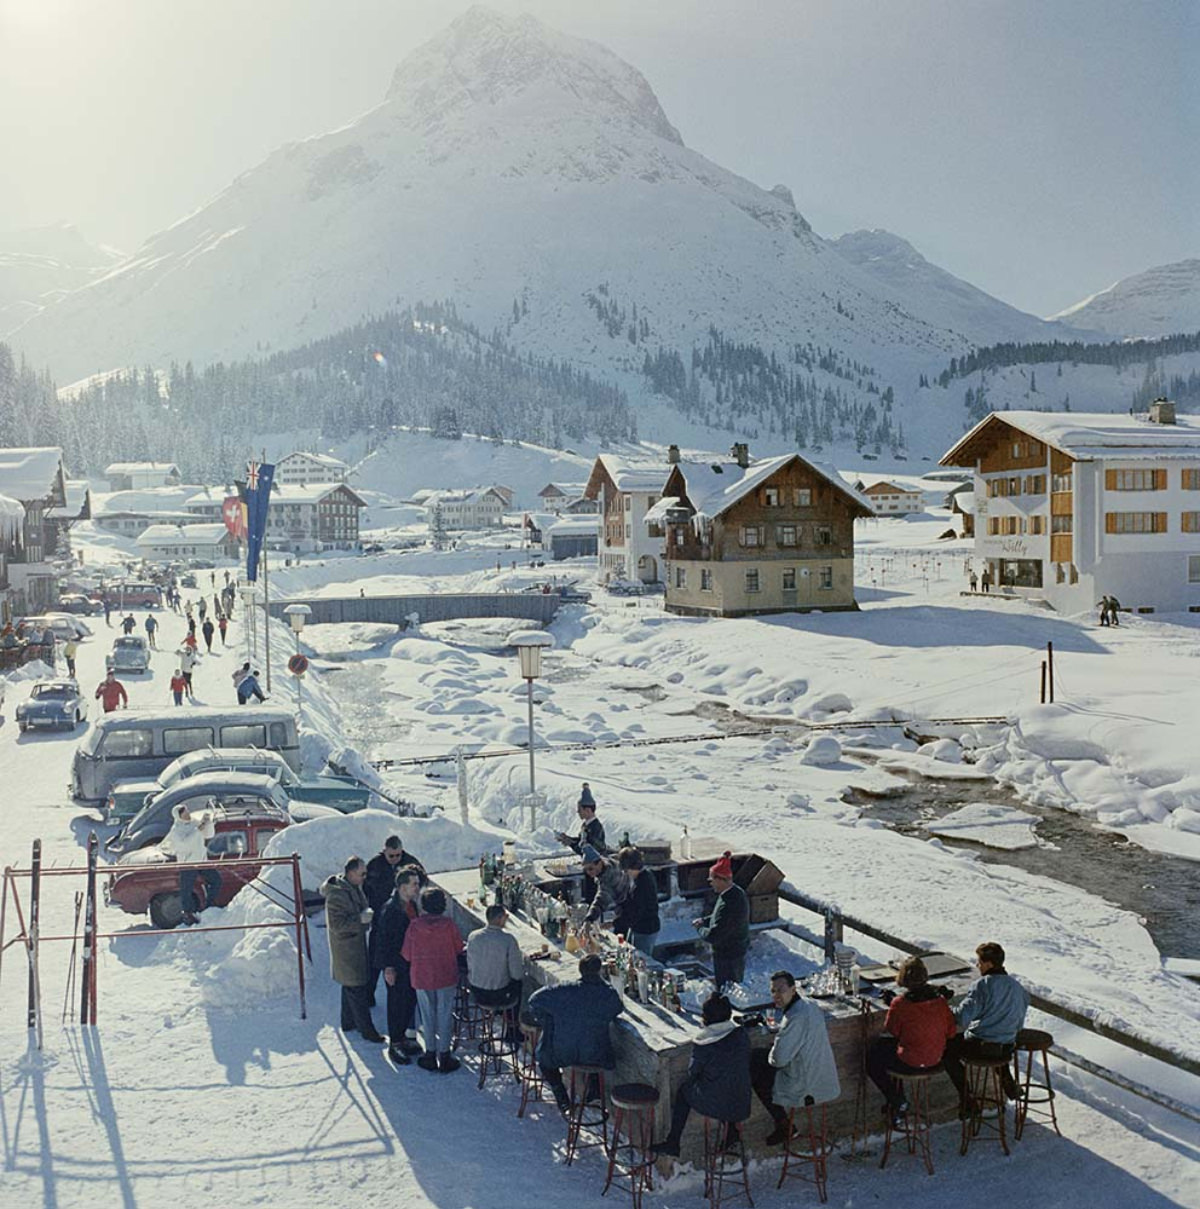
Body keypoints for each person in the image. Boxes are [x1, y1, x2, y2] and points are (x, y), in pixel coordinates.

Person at [652, 993, 751, 1158]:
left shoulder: (705, 1044)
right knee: (727, 1082)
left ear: (706, 1018)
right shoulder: (741, 1035)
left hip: (717, 1104)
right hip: (742, 1101)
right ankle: (731, 1132)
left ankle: (673, 1142)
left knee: (685, 1092)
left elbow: (692, 1072)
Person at [750, 971, 841, 1145]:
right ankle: (783, 1125)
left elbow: (778, 1060)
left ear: (793, 989)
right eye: (773, 991)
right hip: (821, 1072)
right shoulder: (810, 1005)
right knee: (759, 1058)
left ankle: (784, 1124)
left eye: (781, 990)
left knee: (755, 1068)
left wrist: (776, 1046)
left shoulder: (795, 1017)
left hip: (806, 1084)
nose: (776, 995)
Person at [527, 953, 623, 1115]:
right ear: (600, 971)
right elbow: (617, 1009)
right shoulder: (608, 994)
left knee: (544, 1060)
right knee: (592, 1040)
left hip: (562, 1051)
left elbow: (534, 1000)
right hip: (596, 1055)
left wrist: (549, 1021)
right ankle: (594, 1089)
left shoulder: (564, 990)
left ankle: (562, 1097)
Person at [866, 957, 956, 1126]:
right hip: (936, 1059)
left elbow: (892, 1031)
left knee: (873, 1058)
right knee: (893, 1050)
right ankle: (897, 1103)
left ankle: (896, 1099)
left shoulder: (901, 1004)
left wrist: (893, 1005)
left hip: (910, 1062)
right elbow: (951, 1032)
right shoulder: (940, 1001)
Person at [942, 941, 1029, 1112]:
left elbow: (962, 1018)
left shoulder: (983, 986)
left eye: (979, 962)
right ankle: (1008, 1084)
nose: (977, 966)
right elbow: (1018, 1025)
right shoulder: (1018, 988)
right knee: (996, 1034)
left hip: (981, 1048)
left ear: (988, 964)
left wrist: (946, 1005)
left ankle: (967, 1098)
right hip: (1006, 1048)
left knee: (947, 1051)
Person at [321, 856, 385, 1043]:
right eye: (361, 874)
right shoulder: (337, 894)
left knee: (350, 985)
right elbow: (337, 924)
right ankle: (367, 1030)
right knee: (357, 987)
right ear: (350, 873)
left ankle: (348, 1022)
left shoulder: (352, 887)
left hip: (353, 945)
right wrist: (360, 919)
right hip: (346, 949)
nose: (365, 877)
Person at [401, 886, 465, 1072]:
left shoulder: (414, 926)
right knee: (445, 1015)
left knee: (427, 1015)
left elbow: (406, 954)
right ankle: (444, 1054)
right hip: (445, 974)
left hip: (422, 976)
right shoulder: (449, 925)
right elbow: (458, 948)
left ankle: (430, 1053)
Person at [373, 866, 425, 1065]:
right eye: (414, 884)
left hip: (409, 964)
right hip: (396, 965)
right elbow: (383, 941)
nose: (417, 888)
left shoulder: (410, 905)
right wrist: (388, 968)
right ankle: (395, 1043)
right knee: (396, 1004)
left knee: (408, 1001)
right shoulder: (391, 910)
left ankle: (404, 1038)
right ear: (403, 887)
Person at [693, 850, 749, 989]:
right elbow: (720, 918)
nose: (711, 884)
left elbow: (714, 935)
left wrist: (700, 929)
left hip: (728, 955)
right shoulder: (733, 893)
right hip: (734, 952)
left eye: (712, 880)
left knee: (728, 990)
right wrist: (705, 920)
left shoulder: (730, 901)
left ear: (721, 879)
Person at [467, 903, 525, 1033]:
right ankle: (512, 1027)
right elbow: (517, 974)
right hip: (498, 994)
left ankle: (500, 1015)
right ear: (500, 919)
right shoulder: (508, 940)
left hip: (477, 991)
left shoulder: (473, 936)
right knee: (518, 984)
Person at [160, 802, 221, 925]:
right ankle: (188, 914)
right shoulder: (176, 830)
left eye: (187, 811)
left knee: (216, 880)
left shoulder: (194, 822)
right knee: (186, 890)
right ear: (178, 816)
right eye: (184, 813)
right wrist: (197, 831)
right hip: (187, 863)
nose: (188, 814)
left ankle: (209, 907)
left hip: (201, 860)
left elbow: (208, 834)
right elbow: (183, 844)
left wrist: (207, 823)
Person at [613, 847, 660, 956]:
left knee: (641, 959)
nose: (625, 873)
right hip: (639, 927)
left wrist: (616, 923)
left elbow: (636, 911)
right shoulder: (641, 877)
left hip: (646, 929)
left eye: (625, 870)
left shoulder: (643, 883)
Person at [581, 845, 627, 924]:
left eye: (590, 869)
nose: (588, 872)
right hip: (622, 907)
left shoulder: (609, 875)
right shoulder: (606, 864)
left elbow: (602, 899)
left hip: (629, 907)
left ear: (599, 863)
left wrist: (589, 919)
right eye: (586, 870)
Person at [554, 784, 607, 854]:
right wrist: (568, 839)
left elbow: (591, 850)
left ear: (588, 810)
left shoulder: (596, 827)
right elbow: (581, 841)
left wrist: (571, 843)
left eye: (580, 809)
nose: (578, 811)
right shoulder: (585, 825)